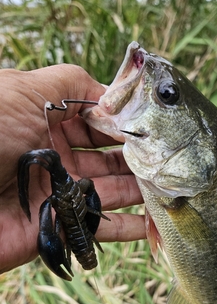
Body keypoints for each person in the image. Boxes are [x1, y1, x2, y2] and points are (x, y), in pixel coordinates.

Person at [0, 64, 146, 275]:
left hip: (78, 231)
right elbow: (85, 191)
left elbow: (85, 191)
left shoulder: (53, 202)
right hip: (78, 232)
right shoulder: (57, 200)